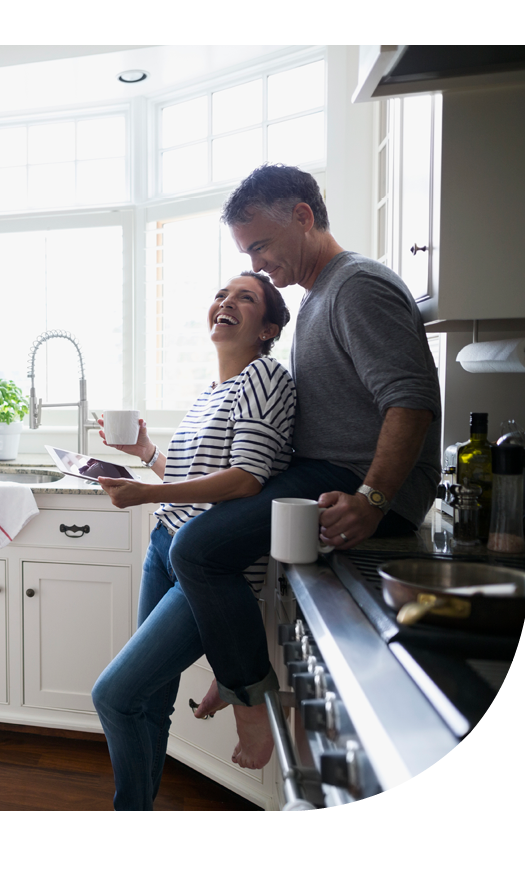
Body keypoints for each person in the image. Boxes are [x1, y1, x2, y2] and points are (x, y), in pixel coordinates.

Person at [168, 164, 442, 771]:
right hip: (324, 474)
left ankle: (251, 706)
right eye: (247, 252)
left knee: (196, 549)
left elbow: (411, 399)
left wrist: (372, 499)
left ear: (303, 215)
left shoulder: (358, 286)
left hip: (349, 479)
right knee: (203, 547)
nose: (258, 264)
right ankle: (238, 675)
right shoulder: (321, 296)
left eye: (260, 246)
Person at [91, 270, 295, 810]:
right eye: (220, 295)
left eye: (244, 298)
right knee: (149, 696)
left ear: (269, 327)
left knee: (114, 695)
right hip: (167, 546)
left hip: (207, 569)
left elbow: (246, 479)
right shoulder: (215, 391)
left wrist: (144, 493)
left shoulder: (266, 379)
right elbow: (196, 476)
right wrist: (147, 454)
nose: (225, 303)